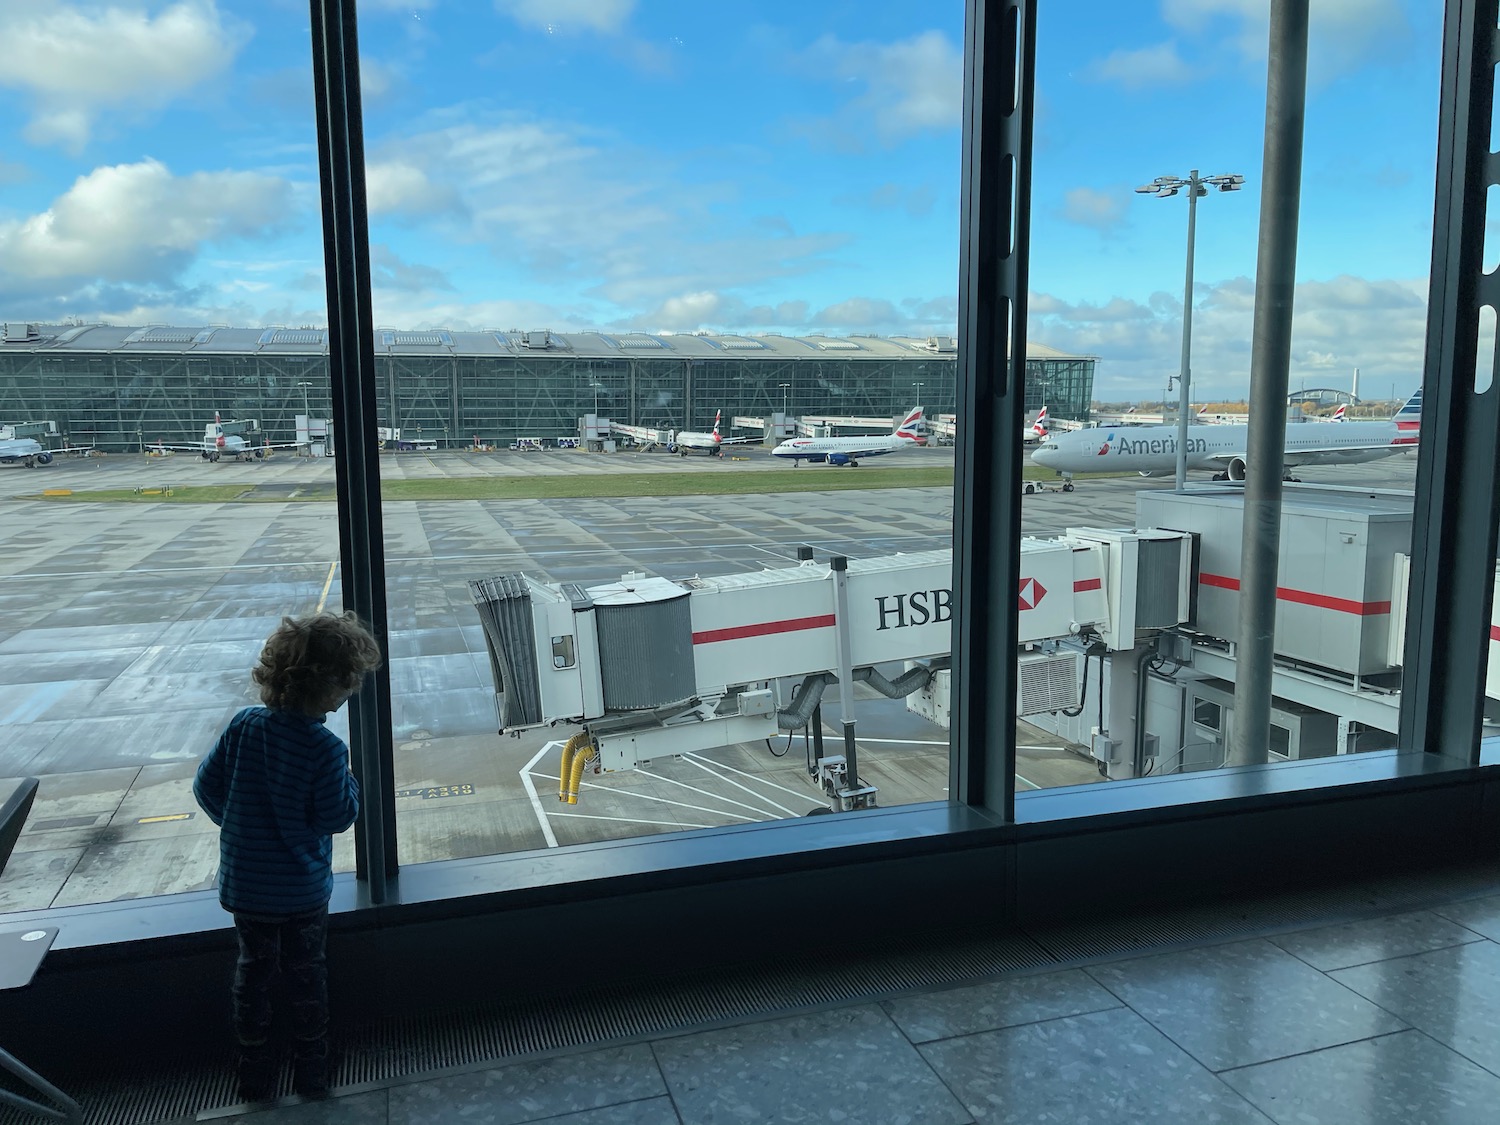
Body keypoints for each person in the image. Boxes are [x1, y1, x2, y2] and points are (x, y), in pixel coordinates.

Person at [193, 611, 382, 1102]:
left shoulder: (244, 726)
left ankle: (253, 1069)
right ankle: (311, 1068)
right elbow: (337, 817)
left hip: (246, 886)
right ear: (333, 687)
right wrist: (352, 780)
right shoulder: (323, 748)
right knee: (306, 976)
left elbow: (207, 788)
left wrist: (242, 829)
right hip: (299, 890)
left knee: (251, 974)